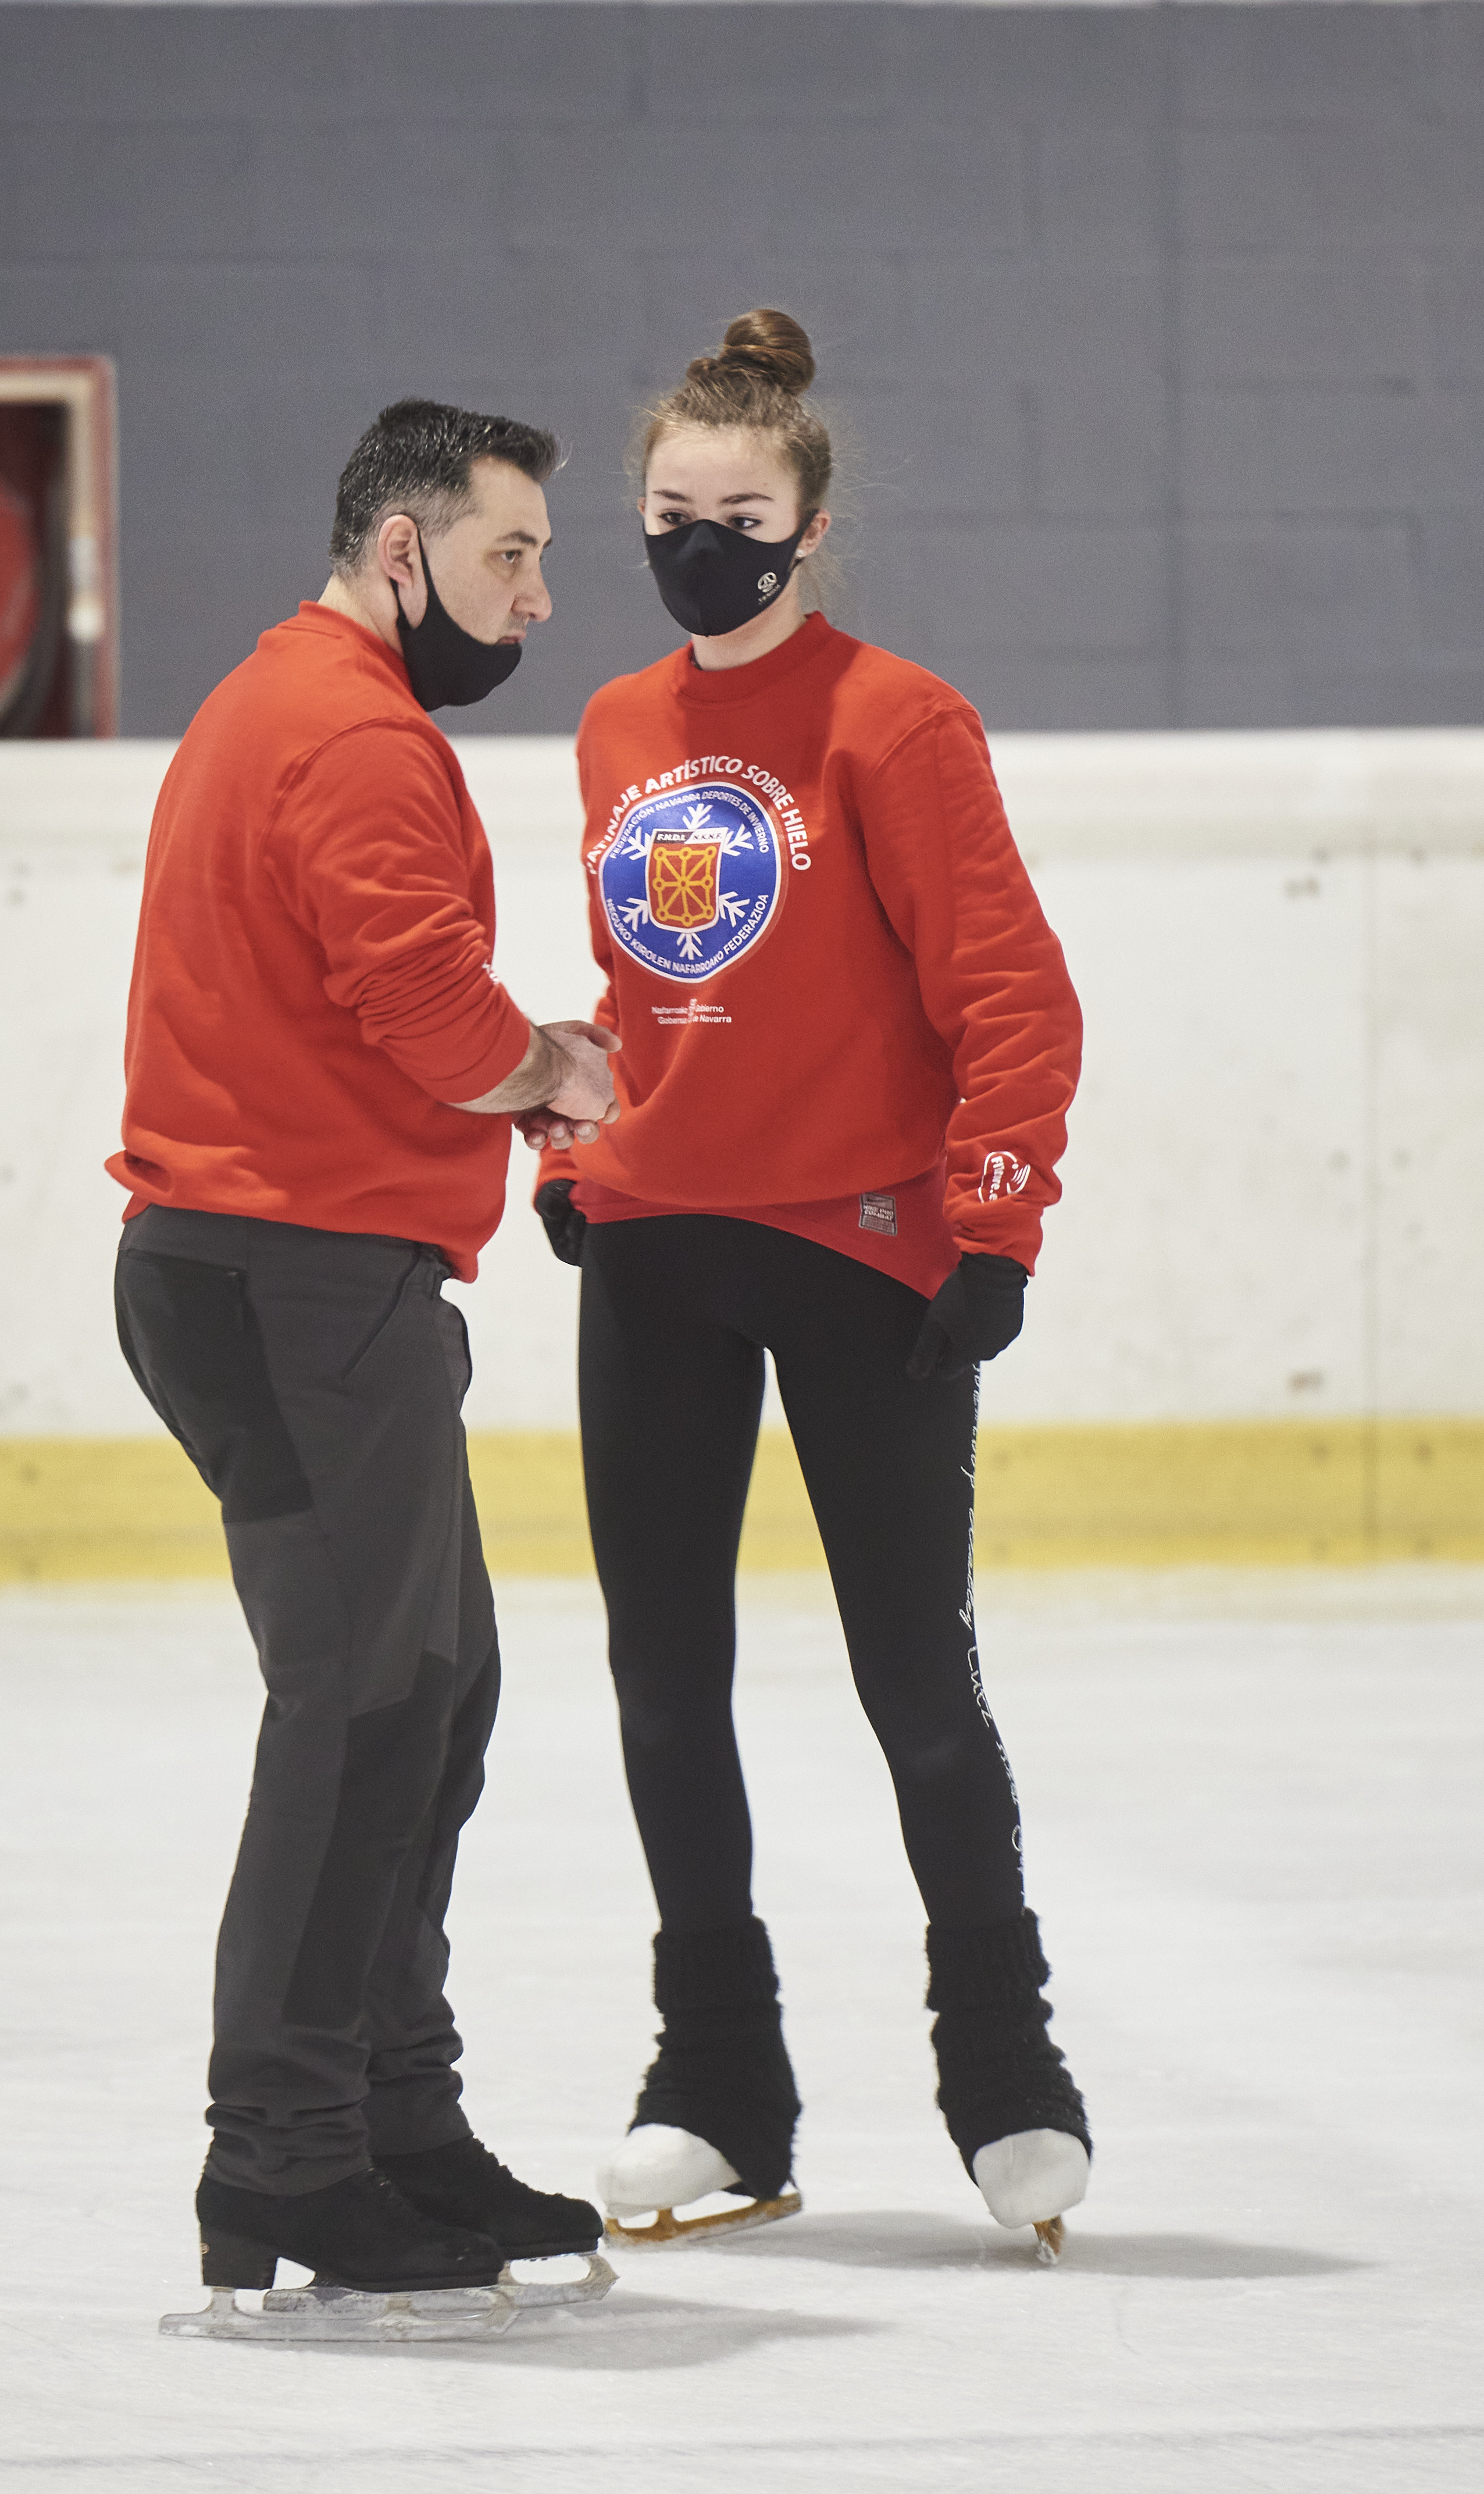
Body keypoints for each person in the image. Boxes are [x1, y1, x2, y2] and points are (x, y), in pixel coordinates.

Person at [529, 312, 1092, 2259]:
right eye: (672, 512)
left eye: (740, 513)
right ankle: (717, 2087)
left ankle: (1007, 2074)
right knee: (666, 1691)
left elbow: (1010, 994)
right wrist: (573, 1154)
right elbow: (634, 993)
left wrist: (996, 1221)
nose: (704, 542)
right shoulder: (613, 727)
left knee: (916, 1690)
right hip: (661, 1250)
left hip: (867, 1258)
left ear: (809, 519)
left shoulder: (896, 722)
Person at [108, 398, 621, 2317]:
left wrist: (525, 1060)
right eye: (511, 558)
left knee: (436, 1694)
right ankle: (291, 2163)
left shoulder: (299, 705)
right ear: (401, 550)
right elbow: (421, 1007)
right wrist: (561, 1076)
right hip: (293, 1284)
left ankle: (399, 2126)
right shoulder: (345, 729)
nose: (539, 599)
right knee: (368, 1712)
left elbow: (381, 995)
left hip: (301, 1278)